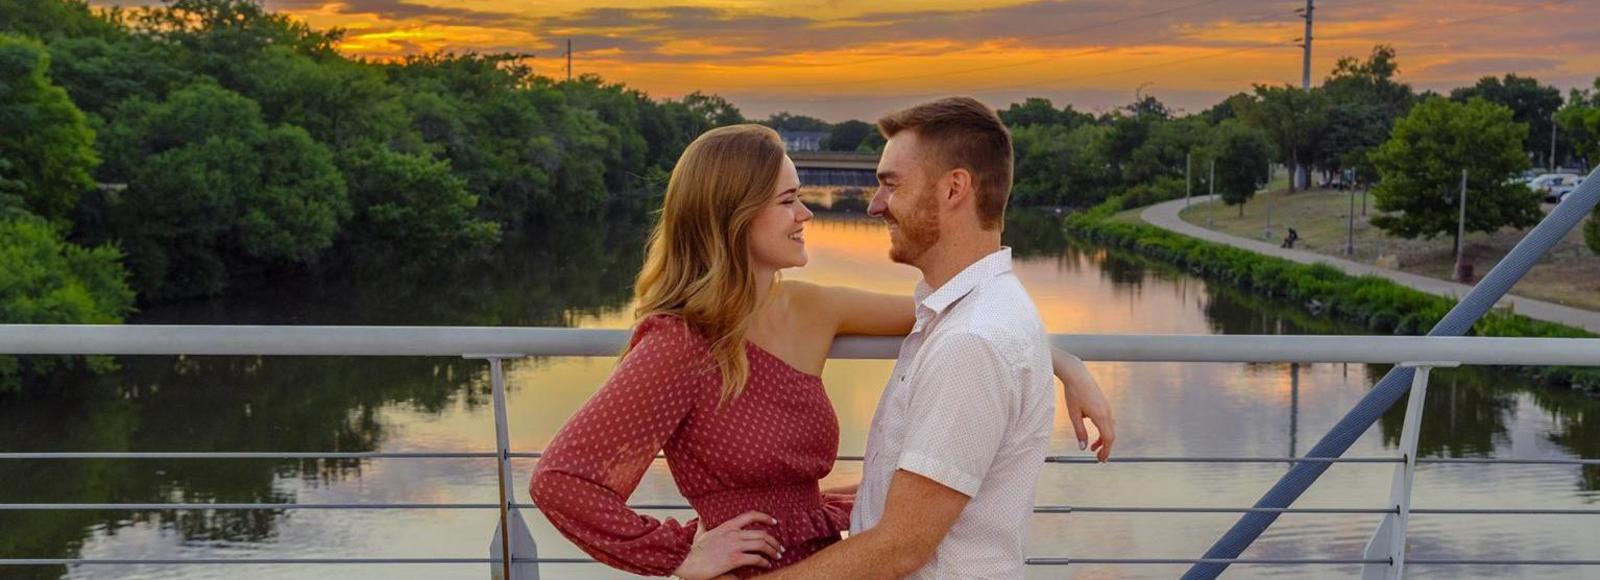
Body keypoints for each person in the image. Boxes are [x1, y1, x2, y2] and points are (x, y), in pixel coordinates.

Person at [529, 121, 1114, 579]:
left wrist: (1063, 363)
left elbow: (963, 317)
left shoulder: (812, 308)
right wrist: (678, 553)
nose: (807, 214)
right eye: (788, 201)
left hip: (828, 562)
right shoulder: (683, 341)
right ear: (733, 215)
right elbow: (560, 480)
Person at [756, 97, 1063, 579]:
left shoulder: (970, 343)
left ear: (954, 188)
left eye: (891, 185)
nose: (875, 205)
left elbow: (899, 549)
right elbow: (918, 500)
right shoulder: (969, 314)